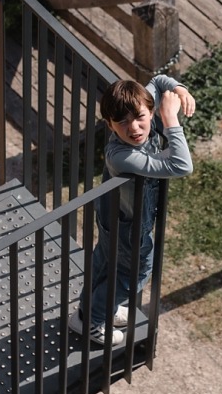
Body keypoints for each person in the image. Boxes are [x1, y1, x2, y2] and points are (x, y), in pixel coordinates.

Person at [68, 75, 196, 348]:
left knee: (105, 263)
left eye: (139, 117)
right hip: (129, 228)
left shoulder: (142, 104)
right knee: (132, 274)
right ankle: (93, 320)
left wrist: (179, 89)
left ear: (149, 109)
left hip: (114, 216)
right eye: (122, 122)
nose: (134, 128)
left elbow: (159, 80)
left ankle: (88, 312)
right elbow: (182, 165)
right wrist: (171, 119)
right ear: (110, 125)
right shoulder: (121, 155)